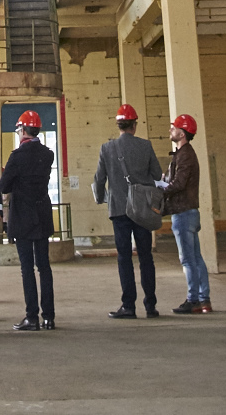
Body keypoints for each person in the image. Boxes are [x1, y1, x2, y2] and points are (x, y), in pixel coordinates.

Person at [92, 102, 162, 318]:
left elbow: (98, 180)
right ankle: (150, 306)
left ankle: (128, 306)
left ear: (119, 125)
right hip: (142, 210)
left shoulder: (107, 148)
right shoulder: (146, 146)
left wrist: (103, 199)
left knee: (124, 257)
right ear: (135, 125)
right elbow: (158, 175)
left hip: (119, 210)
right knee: (145, 257)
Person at [0, 111, 56, 331]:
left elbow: (4, 186)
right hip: (42, 214)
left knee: (27, 268)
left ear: (22, 130)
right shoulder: (48, 154)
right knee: (44, 267)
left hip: (22, 216)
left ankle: (32, 317)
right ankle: (49, 317)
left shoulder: (17, 156)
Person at [162, 113, 211, 314]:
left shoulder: (185, 155)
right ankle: (203, 299)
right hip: (188, 211)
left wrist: (161, 189)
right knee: (196, 257)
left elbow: (179, 184)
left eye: (174, 128)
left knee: (188, 259)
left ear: (182, 134)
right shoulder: (183, 154)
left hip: (183, 212)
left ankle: (193, 300)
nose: (170, 130)